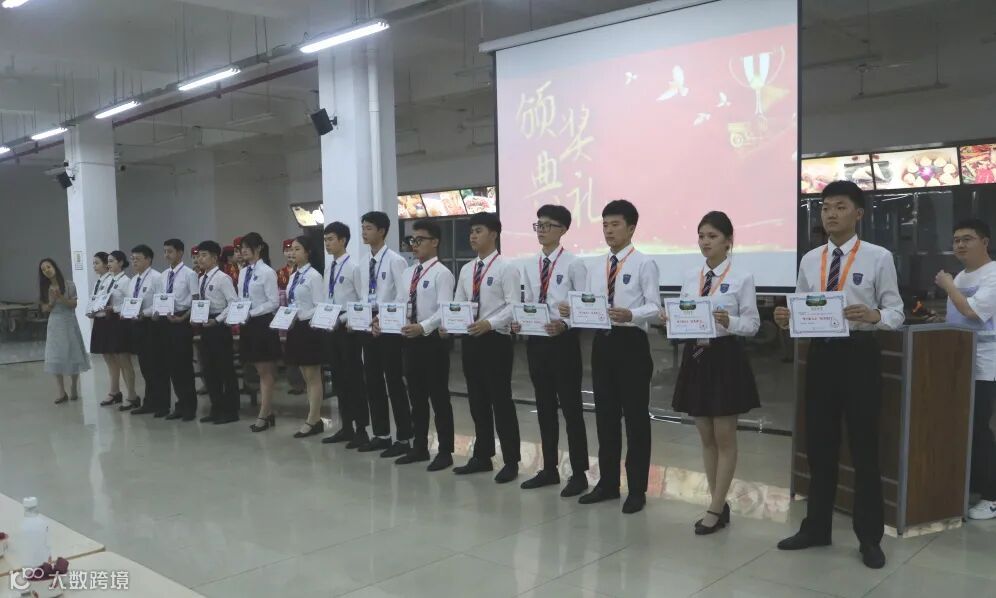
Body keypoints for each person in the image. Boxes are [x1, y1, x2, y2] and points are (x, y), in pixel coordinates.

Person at [774, 180, 904, 569]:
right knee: (819, 445)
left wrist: (875, 315)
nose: (830, 213)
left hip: (859, 354)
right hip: (821, 356)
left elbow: (896, 312)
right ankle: (816, 528)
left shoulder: (878, 257)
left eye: (840, 207)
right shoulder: (810, 259)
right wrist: (786, 317)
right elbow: (801, 308)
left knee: (864, 447)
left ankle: (870, 538)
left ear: (858, 214)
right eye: (825, 207)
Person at [560, 199, 660, 514]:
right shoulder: (596, 265)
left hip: (632, 343)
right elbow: (590, 304)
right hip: (603, 343)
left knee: (635, 418)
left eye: (615, 224)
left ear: (631, 228)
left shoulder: (644, 263)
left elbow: (655, 307)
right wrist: (573, 310)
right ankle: (607, 484)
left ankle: (637, 489)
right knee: (605, 417)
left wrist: (632, 314)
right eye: (605, 225)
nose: (609, 231)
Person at [665, 211, 760, 534]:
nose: (705, 242)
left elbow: (752, 324)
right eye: (701, 236)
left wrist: (728, 321)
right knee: (705, 435)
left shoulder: (741, 277)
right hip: (696, 357)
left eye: (713, 236)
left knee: (724, 436)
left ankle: (715, 508)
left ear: (728, 241)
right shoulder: (691, 276)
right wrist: (672, 319)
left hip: (725, 357)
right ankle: (718, 502)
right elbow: (685, 314)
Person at [511, 205, 589, 497]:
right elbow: (531, 301)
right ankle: (549, 469)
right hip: (537, 341)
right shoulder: (530, 264)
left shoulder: (574, 264)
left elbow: (583, 306)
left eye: (547, 225)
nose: (541, 230)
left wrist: (566, 324)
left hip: (563, 342)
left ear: (563, 229)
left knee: (571, 408)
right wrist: (520, 321)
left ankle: (579, 473)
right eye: (538, 225)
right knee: (544, 407)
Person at [446, 212, 522, 484]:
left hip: (495, 340)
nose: (473, 236)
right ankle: (482, 456)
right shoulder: (467, 270)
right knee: (477, 401)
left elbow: (514, 306)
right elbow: (458, 303)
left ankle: (511, 460)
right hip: (471, 340)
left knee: (500, 401)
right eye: (471, 232)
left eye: (478, 231)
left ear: (494, 234)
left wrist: (489, 323)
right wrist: (450, 323)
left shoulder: (506, 268)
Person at [380, 219, 455, 471]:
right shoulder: (409, 273)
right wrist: (383, 319)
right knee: (416, 397)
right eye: (412, 240)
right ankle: (419, 446)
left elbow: (444, 311)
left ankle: (445, 451)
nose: (415, 244)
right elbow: (400, 303)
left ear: (435, 242)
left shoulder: (442, 274)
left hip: (432, 341)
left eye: (420, 240)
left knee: (439, 398)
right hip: (410, 341)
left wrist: (422, 327)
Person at [934, 218, 996, 521]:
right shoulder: (960, 276)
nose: (960, 245)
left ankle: (992, 497)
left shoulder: (993, 274)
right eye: (956, 240)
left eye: (967, 239)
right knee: (965, 427)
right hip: (960, 363)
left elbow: (972, 311)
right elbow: (959, 317)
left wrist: (947, 286)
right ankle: (975, 483)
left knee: (979, 428)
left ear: (984, 242)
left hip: (986, 364)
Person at [358, 211, 412, 457]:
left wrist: (382, 317)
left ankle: (404, 437)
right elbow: (363, 296)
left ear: (382, 231)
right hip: (369, 326)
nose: (364, 232)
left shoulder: (395, 261)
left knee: (394, 382)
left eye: (369, 228)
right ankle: (381, 434)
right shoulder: (364, 262)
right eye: (363, 227)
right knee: (372, 381)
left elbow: (402, 297)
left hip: (389, 327)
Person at [222, 233, 281, 433]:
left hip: (262, 324)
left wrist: (251, 313)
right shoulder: (244, 272)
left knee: (265, 371)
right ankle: (268, 412)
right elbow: (241, 298)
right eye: (241, 248)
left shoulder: (267, 272)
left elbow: (273, 302)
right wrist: (235, 314)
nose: (243, 251)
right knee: (257, 369)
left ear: (259, 248)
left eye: (247, 247)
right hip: (247, 323)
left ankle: (263, 414)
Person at [320, 221, 370, 448]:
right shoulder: (329, 267)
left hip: (348, 328)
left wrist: (343, 320)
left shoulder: (354, 267)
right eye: (325, 240)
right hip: (331, 326)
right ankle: (346, 426)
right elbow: (327, 298)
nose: (327, 244)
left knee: (353, 379)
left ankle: (361, 429)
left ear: (343, 240)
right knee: (338, 378)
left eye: (331, 239)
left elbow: (362, 301)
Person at [283, 236, 328, 438]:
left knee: (313, 376)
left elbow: (319, 305)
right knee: (304, 376)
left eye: (297, 249)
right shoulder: (294, 275)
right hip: (295, 327)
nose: (292, 253)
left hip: (309, 327)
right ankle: (314, 417)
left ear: (308, 252)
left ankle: (313, 418)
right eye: (291, 249)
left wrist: (304, 318)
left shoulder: (314, 276)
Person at [151, 239, 199, 422]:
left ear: (180, 252)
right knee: (171, 366)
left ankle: (190, 407)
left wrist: (183, 317)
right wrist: (156, 313)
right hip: (165, 320)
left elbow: (196, 300)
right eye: (165, 251)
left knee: (183, 366)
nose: (166, 255)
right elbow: (160, 298)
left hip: (181, 320)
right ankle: (180, 404)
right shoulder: (163, 276)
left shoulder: (189, 274)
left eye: (170, 251)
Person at [193, 241, 241, 425]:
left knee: (225, 369)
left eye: (204, 255)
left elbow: (233, 303)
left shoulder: (223, 278)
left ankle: (231, 410)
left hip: (219, 326)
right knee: (209, 369)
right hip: (205, 324)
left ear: (214, 258)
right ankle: (216, 407)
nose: (200, 259)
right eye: (198, 255)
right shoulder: (201, 278)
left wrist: (218, 320)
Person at [39, 258, 90, 403]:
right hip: (55, 323)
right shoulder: (44, 288)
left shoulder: (69, 284)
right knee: (56, 355)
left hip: (69, 321)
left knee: (73, 353)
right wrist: (51, 302)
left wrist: (60, 297)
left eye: (48, 267)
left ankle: (74, 385)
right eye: (43, 269)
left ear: (54, 267)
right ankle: (61, 392)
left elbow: (73, 304)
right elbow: (44, 309)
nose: (47, 270)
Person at [125, 245, 163, 414]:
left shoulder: (157, 278)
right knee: (144, 366)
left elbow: (161, 303)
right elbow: (130, 301)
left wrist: (144, 313)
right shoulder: (134, 280)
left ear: (148, 259)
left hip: (152, 325)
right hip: (137, 325)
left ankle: (160, 403)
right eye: (132, 259)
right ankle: (149, 401)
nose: (134, 262)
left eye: (138, 259)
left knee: (155, 365)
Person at [98, 250, 138, 408]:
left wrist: (114, 308)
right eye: (108, 261)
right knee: (116, 360)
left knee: (124, 360)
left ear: (121, 262)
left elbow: (130, 302)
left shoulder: (126, 281)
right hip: (111, 321)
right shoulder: (111, 280)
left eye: (112, 261)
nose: (108, 264)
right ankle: (120, 393)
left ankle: (132, 395)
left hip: (122, 322)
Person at [86, 252, 120, 404]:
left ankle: (114, 391)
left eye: (97, 263)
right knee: (107, 357)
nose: (94, 266)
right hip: (99, 320)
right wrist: (90, 310)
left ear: (106, 264)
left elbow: (108, 301)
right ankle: (115, 390)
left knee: (112, 358)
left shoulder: (111, 280)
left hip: (109, 321)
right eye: (93, 263)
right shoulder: (98, 281)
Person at [277, 238, 306, 396]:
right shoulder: (280, 273)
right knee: (288, 351)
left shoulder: (305, 272)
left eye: (294, 250)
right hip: (285, 315)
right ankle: (295, 382)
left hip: (301, 317)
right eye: (287, 250)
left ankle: (305, 382)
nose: (290, 253)